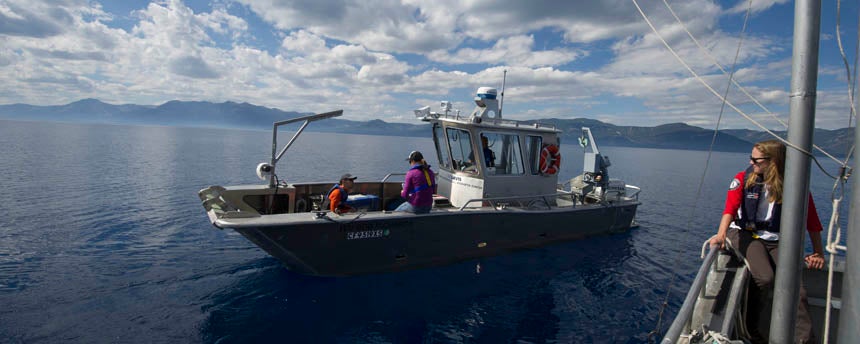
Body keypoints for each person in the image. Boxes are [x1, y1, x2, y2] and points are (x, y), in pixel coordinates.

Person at [709, 139, 825, 343]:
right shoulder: (743, 179)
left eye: (757, 159)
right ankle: (752, 329)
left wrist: (818, 252)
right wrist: (721, 234)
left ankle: (806, 340)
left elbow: (812, 220)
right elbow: (730, 208)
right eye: (751, 158)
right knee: (765, 277)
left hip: (776, 239)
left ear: (774, 161)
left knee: (798, 291)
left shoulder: (794, 185)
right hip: (746, 234)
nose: (751, 162)